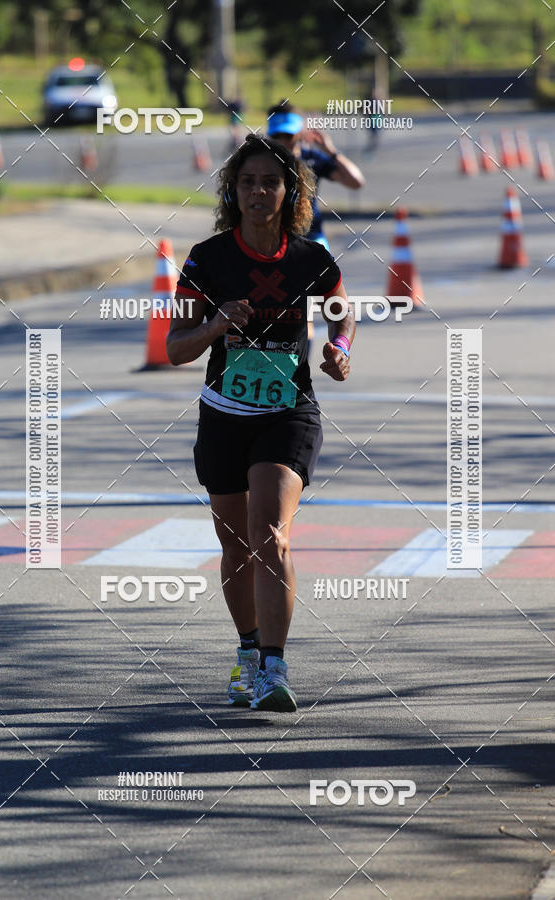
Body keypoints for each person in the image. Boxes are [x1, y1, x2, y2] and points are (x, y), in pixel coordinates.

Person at [167, 134, 355, 712]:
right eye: (247, 182)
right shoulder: (207, 259)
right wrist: (215, 326)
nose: (257, 192)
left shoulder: (311, 259)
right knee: (235, 543)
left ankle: (274, 668)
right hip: (224, 414)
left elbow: (341, 308)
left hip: (288, 412)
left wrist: (340, 345)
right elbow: (176, 347)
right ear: (233, 190)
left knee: (269, 534)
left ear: (289, 192)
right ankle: (247, 654)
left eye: (270, 182)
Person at [266, 102, 364, 357]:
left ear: (299, 132)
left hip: (311, 243)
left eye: (287, 135)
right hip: (274, 244)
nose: (282, 141)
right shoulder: (263, 162)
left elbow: (356, 182)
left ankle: (300, 365)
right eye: (276, 135)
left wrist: (330, 151)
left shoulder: (311, 157)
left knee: (307, 309)